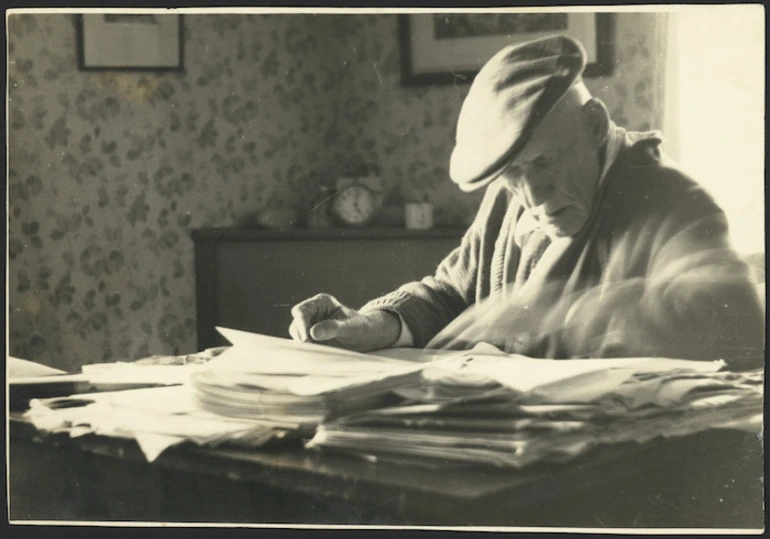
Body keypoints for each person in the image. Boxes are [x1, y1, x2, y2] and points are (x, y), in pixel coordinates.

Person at [289, 35, 764, 367]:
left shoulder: (671, 198)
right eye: (513, 174)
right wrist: (373, 323)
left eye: (544, 163)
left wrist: (552, 312)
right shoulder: (509, 194)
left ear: (595, 126)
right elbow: (452, 292)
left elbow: (739, 321)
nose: (531, 195)